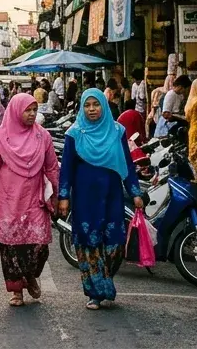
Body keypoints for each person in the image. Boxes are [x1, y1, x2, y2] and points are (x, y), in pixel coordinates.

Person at [58, 89, 145, 310]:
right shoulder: (74, 134)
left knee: (114, 245)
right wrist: (64, 197)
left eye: (96, 105)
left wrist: (135, 192)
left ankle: (105, 281)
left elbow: (127, 163)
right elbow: (66, 169)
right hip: (85, 198)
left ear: (104, 106)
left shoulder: (117, 131)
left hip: (112, 195)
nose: (92, 109)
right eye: (87, 105)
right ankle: (95, 293)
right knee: (89, 244)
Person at [0, 92, 59, 307]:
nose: (33, 114)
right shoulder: (0, 138)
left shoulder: (43, 137)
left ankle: (30, 276)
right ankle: (16, 292)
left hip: (35, 201)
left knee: (39, 246)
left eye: (35, 110)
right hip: (8, 202)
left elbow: (51, 166)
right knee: (10, 249)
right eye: (28, 110)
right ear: (16, 111)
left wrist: (59, 195)